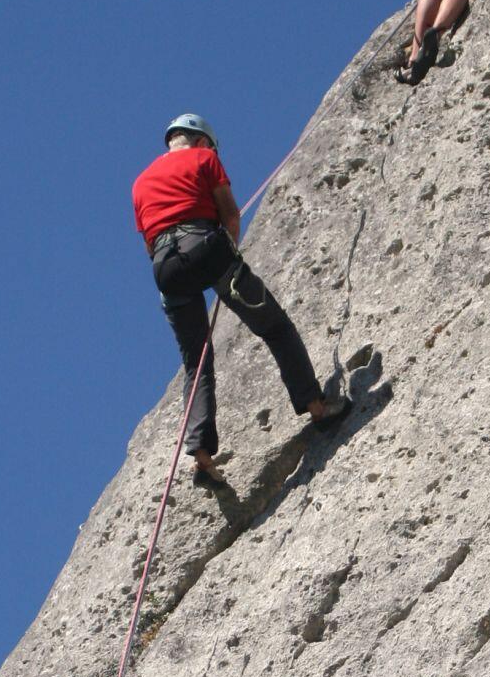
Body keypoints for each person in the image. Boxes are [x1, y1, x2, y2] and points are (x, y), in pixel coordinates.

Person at [132, 114, 352, 481]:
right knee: (275, 327)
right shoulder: (204, 158)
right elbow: (230, 213)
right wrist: (229, 255)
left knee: (196, 363)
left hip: (165, 269)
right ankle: (317, 407)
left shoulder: (140, 183)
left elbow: (149, 244)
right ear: (202, 141)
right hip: (206, 247)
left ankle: (201, 456)